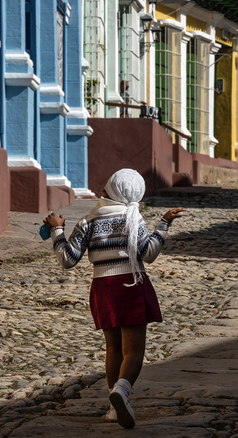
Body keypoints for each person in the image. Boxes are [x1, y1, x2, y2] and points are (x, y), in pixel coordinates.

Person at [43, 168, 184, 429]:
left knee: (113, 349)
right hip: (130, 283)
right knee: (134, 350)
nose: (101, 191)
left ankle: (112, 408)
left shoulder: (88, 221)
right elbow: (149, 253)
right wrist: (163, 224)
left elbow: (68, 259)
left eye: (106, 188)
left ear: (111, 192)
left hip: (102, 286)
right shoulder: (133, 218)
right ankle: (122, 389)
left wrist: (57, 230)